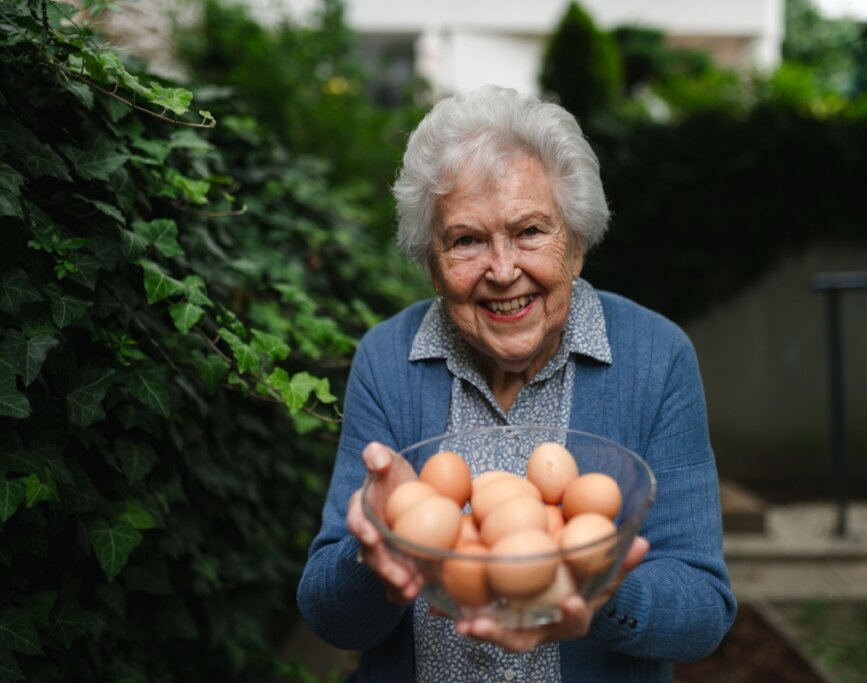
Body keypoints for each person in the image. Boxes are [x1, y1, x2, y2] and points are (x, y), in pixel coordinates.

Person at [297, 85, 736, 682]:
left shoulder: (655, 358)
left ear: (576, 245)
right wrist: (378, 550)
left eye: (530, 231)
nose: (503, 272)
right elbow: (330, 617)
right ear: (431, 261)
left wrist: (600, 594)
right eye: (467, 240)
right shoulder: (387, 358)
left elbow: (703, 610)